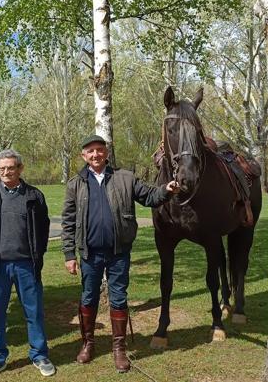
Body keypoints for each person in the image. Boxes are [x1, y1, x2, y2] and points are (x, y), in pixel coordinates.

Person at [61, 135, 180, 373]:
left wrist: (166, 190)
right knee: (88, 298)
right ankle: (88, 344)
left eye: (99, 150)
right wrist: (69, 255)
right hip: (89, 254)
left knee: (118, 298)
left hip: (118, 253)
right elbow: (68, 221)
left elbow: (149, 196)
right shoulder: (76, 184)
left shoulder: (125, 178)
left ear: (106, 153)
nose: (95, 155)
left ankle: (119, 350)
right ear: (84, 156)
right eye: (90, 151)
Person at [0, 149, 54, 381]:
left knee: (34, 312)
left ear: (20, 168)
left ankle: (39, 355)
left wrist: (38, 253)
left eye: (11, 167)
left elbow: (43, 229)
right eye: (2, 168)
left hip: (27, 266)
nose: (6, 172)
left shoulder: (35, 196)